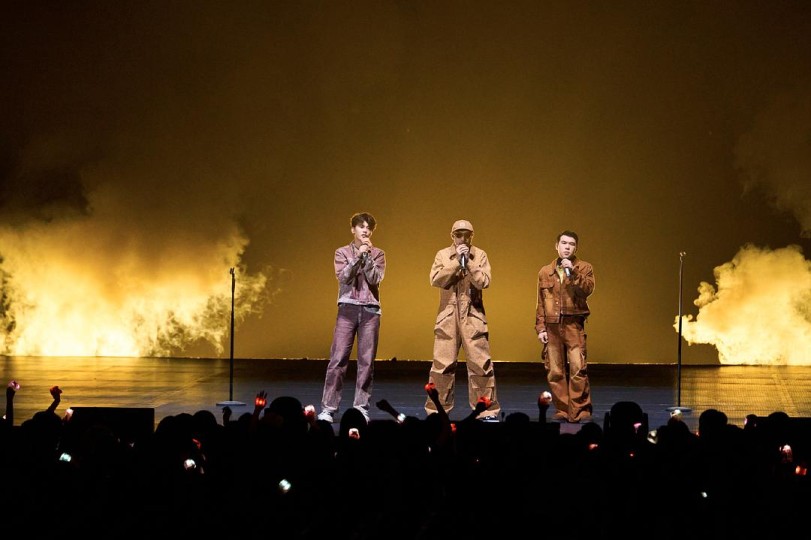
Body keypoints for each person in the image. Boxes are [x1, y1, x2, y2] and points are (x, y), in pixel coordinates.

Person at [424, 219, 500, 421]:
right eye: (459, 235)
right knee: (442, 366)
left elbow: (484, 281)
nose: (463, 239)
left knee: (481, 364)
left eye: (467, 235)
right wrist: (457, 261)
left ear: (471, 236)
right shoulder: (443, 255)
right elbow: (436, 279)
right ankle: (437, 411)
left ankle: (486, 411)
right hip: (448, 316)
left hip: (473, 315)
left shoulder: (480, 255)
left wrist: (470, 262)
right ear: (452, 236)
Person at [317, 212, 386, 423]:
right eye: (361, 226)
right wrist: (358, 256)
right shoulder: (342, 252)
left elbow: (375, 278)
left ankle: (361, 407)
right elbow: (344, 277)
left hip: (370, 311)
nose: (365, 230)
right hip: (347, 309)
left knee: (366, 361)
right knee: (338, 359)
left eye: (369, 228)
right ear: (353, 229)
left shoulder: (378, 254)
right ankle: (328, 408)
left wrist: (367, 257)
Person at [535, 230, 595, 423]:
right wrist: (541, 328)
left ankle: (579, 411)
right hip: (552, 326)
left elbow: (587, 290)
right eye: (564, 243)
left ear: (575, 248)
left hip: (573, 324)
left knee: (578, 368)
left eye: (571, 244)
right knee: (555, 371)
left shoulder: (584, 268)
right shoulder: (545, 271)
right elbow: (541, 302)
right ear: (557, 246)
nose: (567, 247)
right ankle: (563, 409)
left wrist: (573, 272)